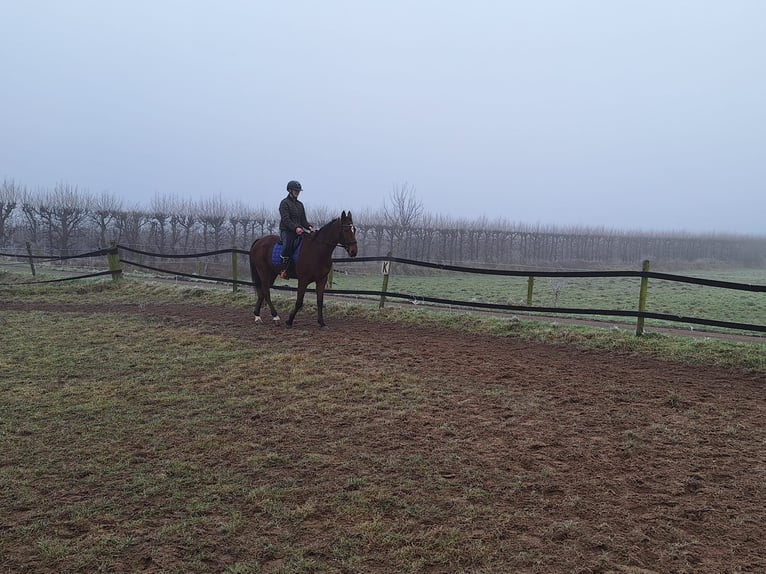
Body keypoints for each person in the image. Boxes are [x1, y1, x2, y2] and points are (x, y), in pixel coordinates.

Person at [278, 180, 314, 278]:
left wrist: (309, 227)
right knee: (287, 246)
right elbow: (286, 219)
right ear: (290, 190)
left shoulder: (300, 205)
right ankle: (283, 269)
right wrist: (295, 228)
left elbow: (303, 221)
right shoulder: (284, 203)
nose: (297, 192)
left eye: (298, 191)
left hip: (298, 231)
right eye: (295, 190)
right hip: (286, 230)